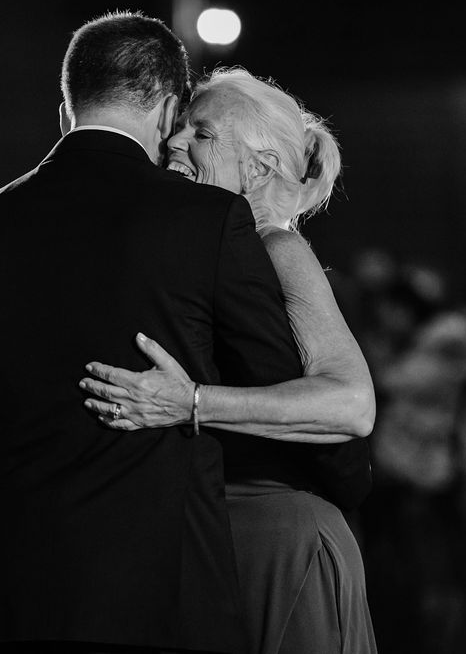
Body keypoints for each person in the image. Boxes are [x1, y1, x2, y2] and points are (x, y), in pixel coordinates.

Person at [0, 12, 317, 654]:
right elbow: (278, 386)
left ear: (65, 111)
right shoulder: (207, 219)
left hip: (11, 602)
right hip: (160, 601)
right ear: (169, 110)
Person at [78, 67, 378, 654]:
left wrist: (190, 403)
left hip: (280, 539)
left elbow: (352, 403)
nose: (174, 142)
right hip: (214, 532)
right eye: (181, 127)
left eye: (202, 133)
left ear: (259, 168)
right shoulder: (201, 247)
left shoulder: (279, 248)